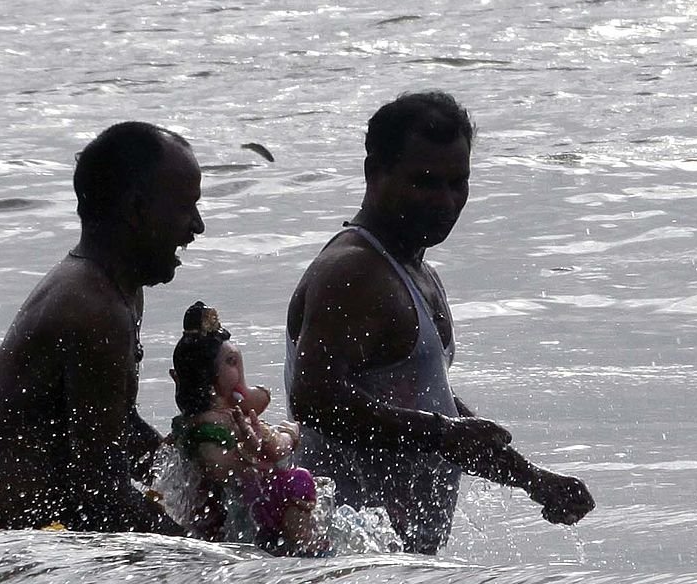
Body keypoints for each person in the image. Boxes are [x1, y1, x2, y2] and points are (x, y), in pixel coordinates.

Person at [285, 91, 595, 554]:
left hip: (392, 566)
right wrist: (442, 433)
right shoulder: (352, 271)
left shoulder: (418, 273)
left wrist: (533, 479)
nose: (446, 201)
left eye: (458, 183)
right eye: (426, 182)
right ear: (375, 174)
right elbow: (315, 399)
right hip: (335, 558)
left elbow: (431, 405)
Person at [0, 121, 205, 533]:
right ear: (136, 211)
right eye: (186, 206)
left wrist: (203, 472)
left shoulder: (115, 289)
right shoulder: (94, 308)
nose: (197, 226)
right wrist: (215, 558)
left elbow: (115, 427)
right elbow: (102, 494)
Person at [169, 302, 322, 553]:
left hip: (223, 511)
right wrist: (286, 437)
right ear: (208, 378)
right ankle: (305, 547)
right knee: (299, 480)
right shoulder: (217, 425)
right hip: (244, 508)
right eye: (231, 362)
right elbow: (230, 464)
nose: (239, 370)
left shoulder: (196, 422)